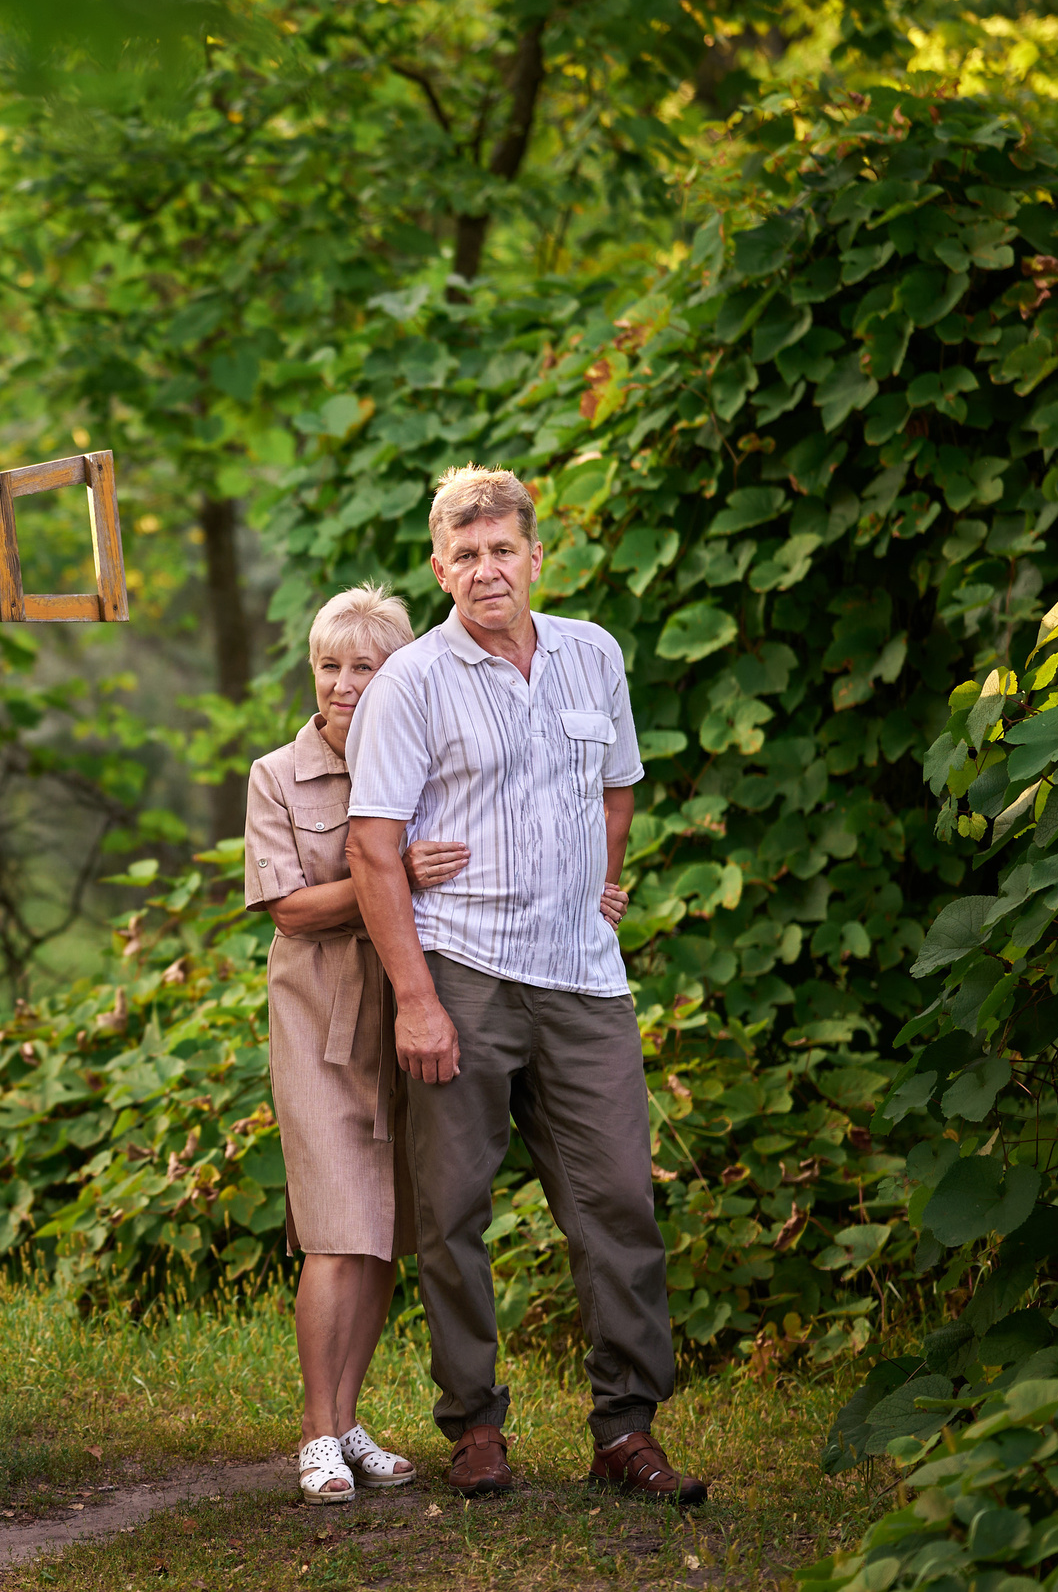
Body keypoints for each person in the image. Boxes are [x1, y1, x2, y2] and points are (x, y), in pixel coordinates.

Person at [341, 466, 707, 1505]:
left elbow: (616, 789)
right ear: (437, 566)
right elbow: (374, 851)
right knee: (453, 1208)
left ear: (535, 554)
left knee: (618, 1203)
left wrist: (594, 886)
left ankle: (624, 1429)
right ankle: (473, 1427)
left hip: (585, 980)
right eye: (464, 555)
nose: (485, 569)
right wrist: (416, 997)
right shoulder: (412, 679)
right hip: (463, 969)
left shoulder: (593, 654)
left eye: (502, 549)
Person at [243, 583, 472, 1504]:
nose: (342, 684)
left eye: (363, 666)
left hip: (414, 1019)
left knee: (384, 1235)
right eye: (329, 665)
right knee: (336, 1234)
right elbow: (288, 908)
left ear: (396, 674)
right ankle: (312, 1435)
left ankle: (346, 1421)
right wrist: (388, 871)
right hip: (320, 1029)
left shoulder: (428, 762)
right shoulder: (277, 775)